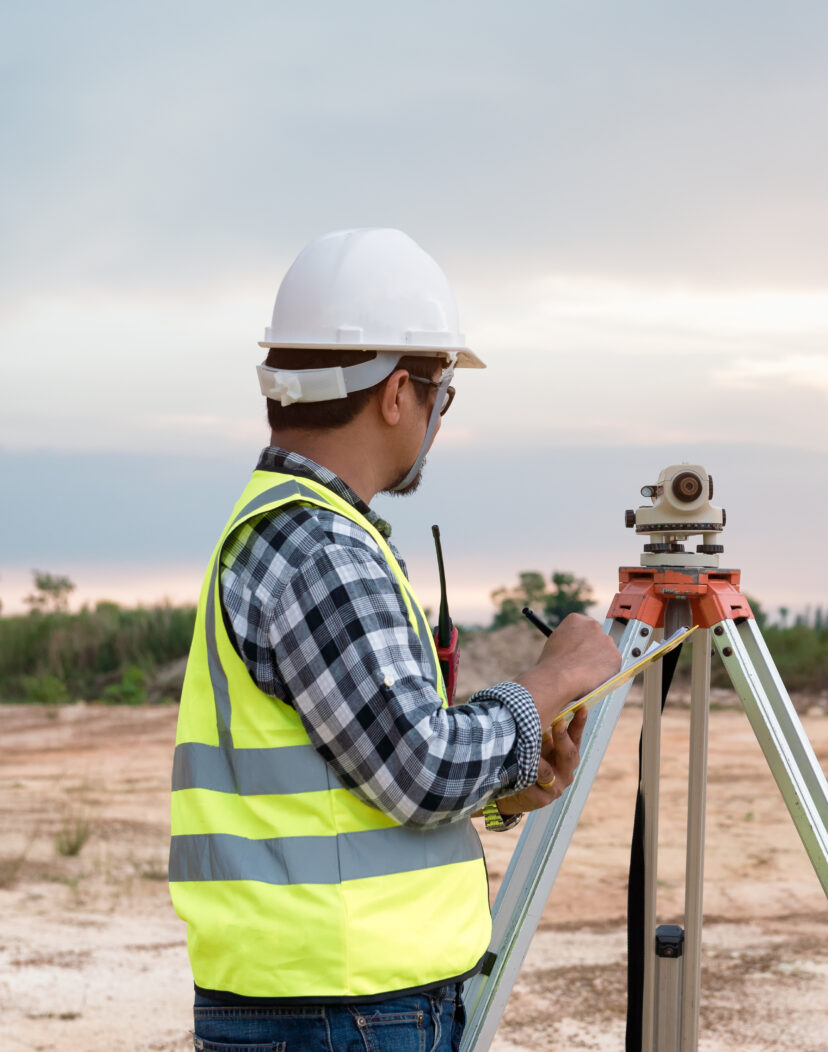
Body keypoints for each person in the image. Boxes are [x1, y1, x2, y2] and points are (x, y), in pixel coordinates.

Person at [168, 228, 621, 1051]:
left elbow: (359, 777)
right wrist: (560, 674)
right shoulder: (322, 547)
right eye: (442, 397)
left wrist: (502, 790)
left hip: (317, 1000)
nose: (438, 422)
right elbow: (422, 767)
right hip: (345, 1010)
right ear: (396, 392)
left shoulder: (293, 532)